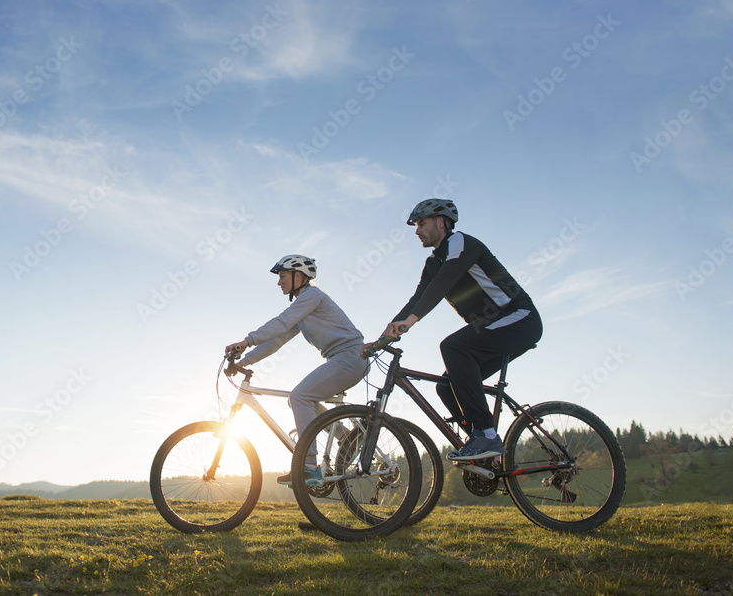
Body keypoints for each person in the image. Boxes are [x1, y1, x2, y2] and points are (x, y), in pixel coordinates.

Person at [378, 198, 542, 461]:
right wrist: (383, 336)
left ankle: (486, 435)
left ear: (442, 222)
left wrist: (410, 322)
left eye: (421, 223)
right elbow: (418, 297)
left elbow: (442, 283)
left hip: (518, 318)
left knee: (453, 346)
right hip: (489, 327)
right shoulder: (433, 262)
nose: (417, 231)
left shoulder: (461, 243)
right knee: (446, 387)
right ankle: (481, 445)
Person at [225, 255, 368, 486]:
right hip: (345, 358)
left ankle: (309, 467)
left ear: (298, 276)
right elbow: (276, 340)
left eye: (282, 277)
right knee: (299, 399)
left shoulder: (312, 295)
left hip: (350, 357)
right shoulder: (303, 307)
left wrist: (246, 341)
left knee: (300, 396)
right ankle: (346, 436)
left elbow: (281, 322)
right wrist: (245, 362)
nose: (279, 282)